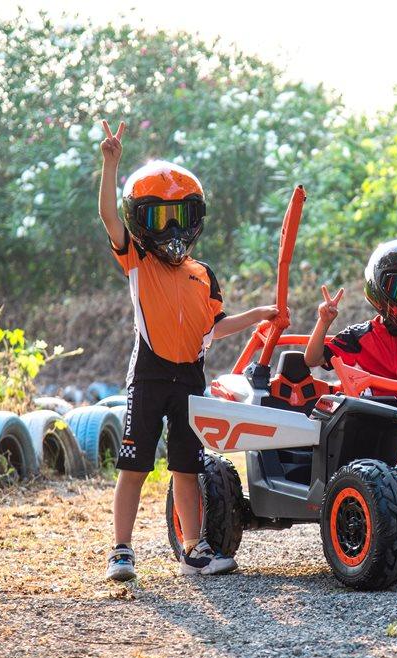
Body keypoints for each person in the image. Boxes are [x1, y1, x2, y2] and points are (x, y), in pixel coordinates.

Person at [97, 120, 281, 581]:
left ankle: (195, 550)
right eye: (161, 217)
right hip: (150, 375)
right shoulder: (136, 260)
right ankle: (121, 551)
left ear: (196, 218)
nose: (173, 228)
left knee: (186, 465)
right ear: (142, 222)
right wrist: (110, 164)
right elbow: (107, 217)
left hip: (190, 378)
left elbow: (214, 328)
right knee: (135, 464)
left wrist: (259, 314)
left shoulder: (203, 274)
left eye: (181, 215)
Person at [304, 238, 397, 402]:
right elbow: (312, 359)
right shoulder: (359, 336)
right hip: (370, 416)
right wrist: (324, 322)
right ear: (377, 289)